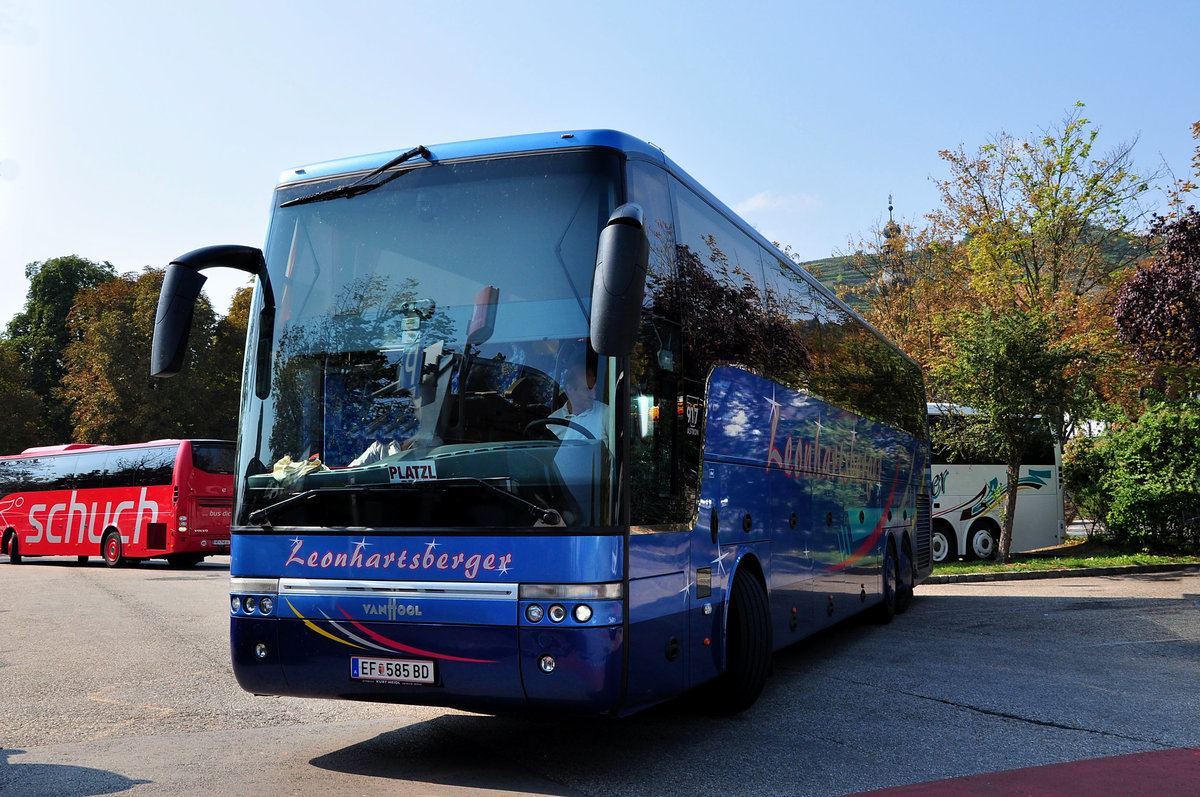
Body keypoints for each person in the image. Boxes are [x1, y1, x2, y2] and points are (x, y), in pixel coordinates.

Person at [548, 361, 609, 441]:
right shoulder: (552, 422)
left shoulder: (605, 413)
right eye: (587, 390)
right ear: (570, 389)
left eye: (594, 389)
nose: (594, 396)